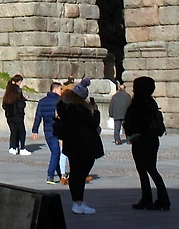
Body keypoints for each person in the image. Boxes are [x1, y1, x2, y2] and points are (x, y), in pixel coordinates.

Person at [57, 79, 103, 215]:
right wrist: (95, 111)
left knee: (76, 173)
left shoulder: (65, 106)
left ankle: (77, 201)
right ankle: (78, 203)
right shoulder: (79, 109)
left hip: (72, 144)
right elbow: (93, 123)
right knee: (80, 174)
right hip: (84, 144)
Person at [122, 76, 169, 211]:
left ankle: (151, 199)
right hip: (152, 139)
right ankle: (159, 199)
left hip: (141, 139)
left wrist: (129, 130)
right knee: (151, 169)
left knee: (144, 170)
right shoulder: (151, 102)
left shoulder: (139, 103)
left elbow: (133, 121)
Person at [31, 81, 63, 184]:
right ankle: (50, 175)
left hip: (47, 130)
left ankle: (60, 174)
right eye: (60, 89)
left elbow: (38, 117)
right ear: (55, 89)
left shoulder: (42, 102)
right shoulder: (59, 101)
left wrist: (35, 130)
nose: (62, 91)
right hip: (56, 129)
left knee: (55, 152)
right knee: (56, 152)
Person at [2, 75, 30, 155]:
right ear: (18, 82)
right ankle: (22, 148)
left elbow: (4, 105)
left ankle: (13, 147)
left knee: (14, 131)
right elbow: (20, 104)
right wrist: (23, 100)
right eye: (21, 82)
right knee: (22, 131)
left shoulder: (8, 91)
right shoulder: (18, 91)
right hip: (17, 115)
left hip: (9, 115)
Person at [108, 81, 131, 145]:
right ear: (125, 89)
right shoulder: (128, 96)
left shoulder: (114, 96)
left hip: (117, 114)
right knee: (127, 127)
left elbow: (111, 106)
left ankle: (117, 140)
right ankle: (129, 140)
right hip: (125, 114)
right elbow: (130, 106)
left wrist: (111, 114)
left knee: (117, 128)